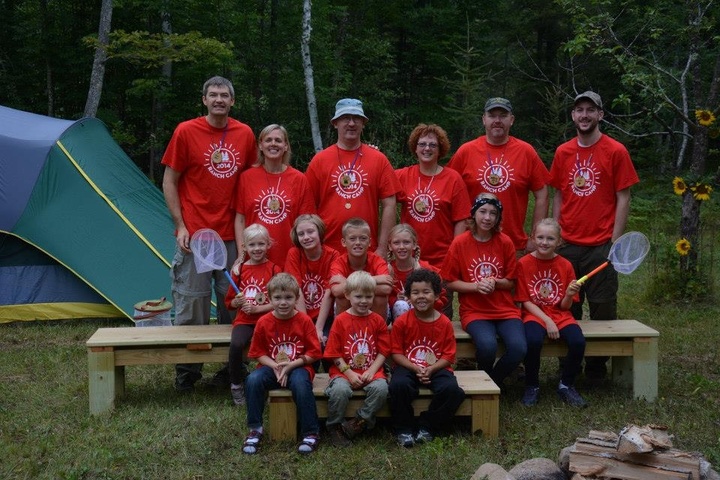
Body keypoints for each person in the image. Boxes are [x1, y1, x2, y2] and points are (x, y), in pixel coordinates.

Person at [161, 75, 257, 392]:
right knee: (192, 304)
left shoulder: (244, 134)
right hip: (195, 236)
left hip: (231, 236)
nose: (218, 100)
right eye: (213, 94)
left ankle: (233, 369)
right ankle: (187, 373)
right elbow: (170, 181)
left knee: (234, 304)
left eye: (224, 95)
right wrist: (181, 225)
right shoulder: (186, 131)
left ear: (232, 101)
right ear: (204, 100)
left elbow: (253, 181)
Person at [549, 91, 639, 382]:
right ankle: (569, 365)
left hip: (601, 244)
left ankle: (597, 368)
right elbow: (559, 194)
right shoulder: (563, 152)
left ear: (600, 115)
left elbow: (623, 197)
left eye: (590, 110)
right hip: (568, 245)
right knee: (566, 307)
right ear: (573, 116)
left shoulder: (615, 151)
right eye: (579, 110)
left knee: (602, 306)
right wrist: (556, 233)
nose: (584, 115)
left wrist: (615, 241)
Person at [441, 193, 526, 388]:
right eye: (483, 212)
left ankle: (491, 382)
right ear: (473, 214)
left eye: (493, 213)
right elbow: (449, 282)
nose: (487, 218)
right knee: (487, 347)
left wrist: (495, 282)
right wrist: (476, 286)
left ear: (498, 218)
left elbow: (511, 281)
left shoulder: (504, 241)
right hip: (475, 311)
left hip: (505, 310)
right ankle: (486, 382)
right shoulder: (460, 243)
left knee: (519, 348)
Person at [447, 97, 550, 254]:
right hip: (472, 243)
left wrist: (535, 236)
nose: (497, 120)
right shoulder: (466, 151)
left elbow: (542, 194)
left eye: (502, 115)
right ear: (484, 119)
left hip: (513, 246)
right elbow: (448, 192)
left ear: (512, 120)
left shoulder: (526, 152)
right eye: (492, 115)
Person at [305, 98, 400, 257]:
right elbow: (308, 207)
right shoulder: (320, 161)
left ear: (363, 123)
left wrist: (383, 248)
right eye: (345, 118)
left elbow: (389, 204)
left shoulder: (378, 159)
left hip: (367, 251)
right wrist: (314, 247)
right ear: (335, 123)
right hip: (327, 250)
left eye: (356, 118)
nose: (351, 123)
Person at [241, 273, 322, 455]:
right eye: (277, 298)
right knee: (253, 380)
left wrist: (290, 366)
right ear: (269, 299)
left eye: (288, 297)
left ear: (297, 299)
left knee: (301, 384)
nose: (283, 302)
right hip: (271, 367)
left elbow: (314, 353)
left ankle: (310, 432)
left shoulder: (304, 320)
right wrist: (276, 366)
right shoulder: (264, 322)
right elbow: (257, 353)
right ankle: (255, 429)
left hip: (299, 366)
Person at [388, 268, 465, 448]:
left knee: (452, 391)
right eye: (415, 293)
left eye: (426, 292)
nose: (420, 296)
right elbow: (396, 353)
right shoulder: (402, 322)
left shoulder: (444, 322)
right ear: (408, 297)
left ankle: (427, 426)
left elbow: (449, 355)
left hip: (437, 368)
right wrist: (415, 368)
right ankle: (404, 429)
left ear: (437, 295)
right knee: (398, 386)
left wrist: (431, 369)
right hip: (408, 367)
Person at [515, 218, 587, 407]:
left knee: (578, 341)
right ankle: (532, 386)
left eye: (550, 238)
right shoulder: (523, 263)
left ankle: (566, 385)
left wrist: (569, 295)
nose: (544, 242)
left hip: (561, 315)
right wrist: (547, 320)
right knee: (533, 341)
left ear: (559, 242)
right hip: (534, 314)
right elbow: (524, 300)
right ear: (532, 238)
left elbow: (564, 307)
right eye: (540, 237)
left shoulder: (565, 265)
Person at [233, 124, 316, 269]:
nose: (273, 144)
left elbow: (307, 223)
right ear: (260, 145)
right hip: (255, 257)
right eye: (268, 140)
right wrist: (242, 254)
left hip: (290, 258)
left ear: (285, 146)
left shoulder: (299, 179)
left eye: (278, 140)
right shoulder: (246, 177)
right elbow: (240, 220)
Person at [323, 270, 390, 447]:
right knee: (340, 391)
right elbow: (334, 353)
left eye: (368, 296)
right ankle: (334, 426)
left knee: (382, 389)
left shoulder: (377, 320)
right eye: (358, 296)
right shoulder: (341, 320)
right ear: (347, 295)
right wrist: (349, 373)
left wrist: (372, 371)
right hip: (344, 371)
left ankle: (359, 421)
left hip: (370, 371)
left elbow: (384, 351)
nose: (363, 301)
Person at [395, 123, 470, 269]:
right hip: (408, 258)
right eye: (422, 144)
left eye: (433, 145)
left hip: (442, 259)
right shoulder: (403, 175)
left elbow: (461, 220)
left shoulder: (453, 178)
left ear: (440, 149)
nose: (427, 148)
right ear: (415, 148)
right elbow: (378, 183)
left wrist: (455, 254)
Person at [225, 224, 281, 405]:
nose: (257, 249)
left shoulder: (274, 270)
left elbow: (279, 303)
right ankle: (236, 384)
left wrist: (259, 309)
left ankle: (268, 384)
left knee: (272, 345)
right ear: (245, 247)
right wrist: (237, 302)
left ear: (268, 245)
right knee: (236, 344)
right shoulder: (239, 271)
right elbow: (229, 303)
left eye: (261, 244)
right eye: (252, 245)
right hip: (244, 321)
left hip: (268, 320)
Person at [284, 214, 340, 366]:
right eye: (301, 234)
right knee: (308, 347)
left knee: (328, 346)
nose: (306, 237)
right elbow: (296, 290)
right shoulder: (294, 253)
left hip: (325, 316)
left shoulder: (333, 255)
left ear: (320, 232)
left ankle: (333, 379)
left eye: (310, 232)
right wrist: (308, 327)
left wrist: (318, 328)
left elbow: (329, 292)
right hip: (301, 315)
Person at [329, 217, 393, 320]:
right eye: (352, 238)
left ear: (369, 242)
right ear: (344, 242)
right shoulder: (338, 263)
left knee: (380, 298)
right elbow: (336, 291)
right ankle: (344, 331)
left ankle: (377, 330)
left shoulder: (377, 260)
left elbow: (386, 289)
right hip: (349, 307)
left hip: (374, 306)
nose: (358, 242)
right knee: (342, 298)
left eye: (363, 238)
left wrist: (348, 283)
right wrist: (374, 279)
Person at [386, 223, 447, 323]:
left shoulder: (426, 270)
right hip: (395, 317)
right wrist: (395, 299)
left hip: (425, 314)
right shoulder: (386, 270)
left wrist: (418, 299)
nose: (401, 247)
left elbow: (441, 297)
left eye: (406, 242)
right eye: (396, 243)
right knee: (401, 305)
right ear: (390, 246)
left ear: (414, 244)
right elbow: (380, 299)